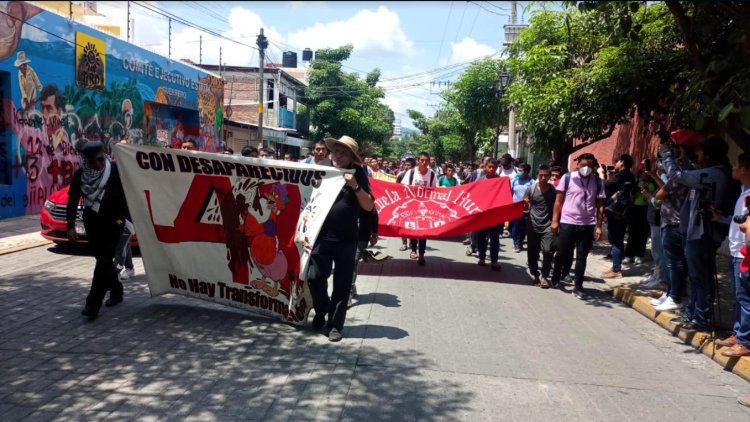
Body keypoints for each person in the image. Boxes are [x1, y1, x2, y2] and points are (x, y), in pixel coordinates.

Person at [307, 136, 375, 342]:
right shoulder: (323, 170)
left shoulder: (358, 174)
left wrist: (354, 185)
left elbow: (368, 206)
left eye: (342, 152)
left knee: (342, 284)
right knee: (314, 277)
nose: (337, 155)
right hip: (320, 237)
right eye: (335, 151)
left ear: (352, 157)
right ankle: (321, 309)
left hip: (347, 239)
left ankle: (335, 325)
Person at [66, 141, 130, 320]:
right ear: (87, 162)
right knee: (102, 260)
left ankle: (92, 304)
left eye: (101, 159)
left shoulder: (115, 172)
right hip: (93, 222)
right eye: (94, 161)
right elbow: (72, 200)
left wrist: (126, 217)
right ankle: (117, 290)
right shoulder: (81, 176)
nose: (99, 164)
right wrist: (70, 225)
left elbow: (129, 193)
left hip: (114, 220)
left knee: (103, 260)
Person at [550, 153, 605, 300]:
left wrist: (599, 226)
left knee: (582, 257)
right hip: (568, 222)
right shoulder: (567, 178)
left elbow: (600, 205)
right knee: (563, 252)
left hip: (587, 225)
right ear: (577, 164)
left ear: (593, 166)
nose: (586, 168)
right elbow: (558, 201)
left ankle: (578, 286)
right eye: (583, 165)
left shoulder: (598, 182)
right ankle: (556, 276)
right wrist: (555, 221)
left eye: (589, 165)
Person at [714, 153, 750, 356]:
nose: (733, 168)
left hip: (744, 253)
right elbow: (739, 221)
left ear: (745, 169)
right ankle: (738, 333)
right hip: (736, 251)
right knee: (739, 296)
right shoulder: (743, 192)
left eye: (736, 165)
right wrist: (723, 218)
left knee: (745, 297)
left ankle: (745, 340)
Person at [601, 154, 636, 279]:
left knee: (615, 240)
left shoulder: (619, 176)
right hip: (626, 212)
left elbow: (604, 186)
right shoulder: (631, 176)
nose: (615, 164)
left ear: (622, 162)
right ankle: (616, 266)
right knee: (619, 239)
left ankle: (616, 270)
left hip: (615, 212)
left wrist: (602, 175)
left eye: (616, 162)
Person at [400, 151, 438, 265]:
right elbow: (403, 187)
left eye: (426, 160)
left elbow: (435, 190)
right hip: (412, 205)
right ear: (418, 161)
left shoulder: (432, 174)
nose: (424, 162)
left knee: (423, 231)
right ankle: (413, 250)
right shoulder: (411, 173)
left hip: (425, 207)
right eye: (422, 160)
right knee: (413, 229)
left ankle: (421, 253)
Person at [524, 165, 556, 288]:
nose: (543, 178)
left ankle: (544, 276)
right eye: (541, 175)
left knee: (547, 251)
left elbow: (557, 206)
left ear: (549, 176)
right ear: (537, 175)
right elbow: (525, 202)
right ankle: (536, 275)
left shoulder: (553, 190)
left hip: (547, 226)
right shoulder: (531, 188)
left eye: (546, 175)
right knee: (532, 253)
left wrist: (555, 222)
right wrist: (525, 202)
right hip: (532, 225)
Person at [475, 159, 503, 271]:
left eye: (493, 167)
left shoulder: (501, 181)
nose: (491, 169)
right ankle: (482, 258)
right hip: (482, 214)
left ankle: (494, 261)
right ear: (485, 167)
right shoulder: (480, 180)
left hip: (495, 215)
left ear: (496, 168)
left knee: (495, 239)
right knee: (481, 237)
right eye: (489, 166)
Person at [510, 163, 534, 253]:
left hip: (526, 208)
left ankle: (520, 242)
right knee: (515, 226)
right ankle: (516, 243)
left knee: (523, 226)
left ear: (527, 171)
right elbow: (510, 192)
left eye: (521, 170)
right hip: (515, 207)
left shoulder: (532, 182)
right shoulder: (514, 180)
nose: (519, 172)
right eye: (518, 170)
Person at [396, 157, 416, 252]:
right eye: (406, 165)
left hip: (413, 203)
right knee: (402, 223)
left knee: (412, 224)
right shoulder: (401, 175)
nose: (407, 167)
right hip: (403, 202)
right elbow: (396, 187)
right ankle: (404, 243)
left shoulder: (416, 176)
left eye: (409, 165)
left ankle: (412, 242)